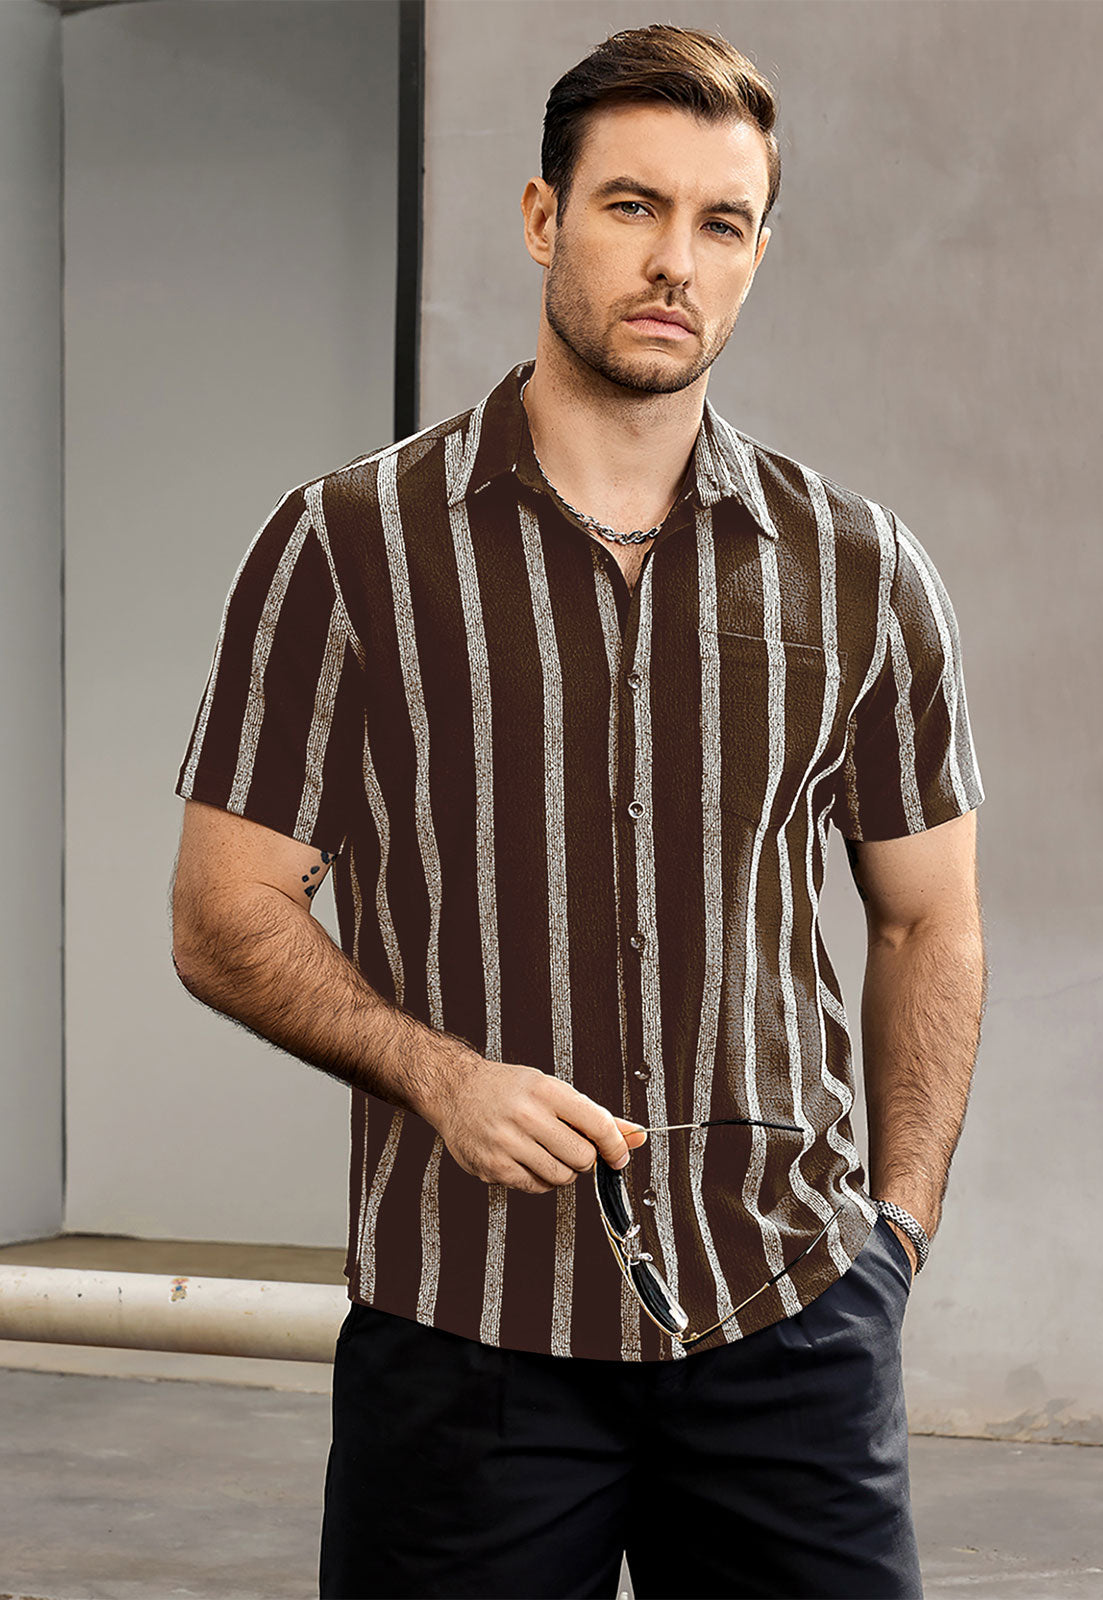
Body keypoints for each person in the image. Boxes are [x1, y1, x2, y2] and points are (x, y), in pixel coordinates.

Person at [170, 22, 987, 1600]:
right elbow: (223, 913)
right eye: (632, 206)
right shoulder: (347, 548)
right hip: (464, 1339)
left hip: (787, 1324)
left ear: (758, 254)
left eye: (721, 221)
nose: (675, 258)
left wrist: (895, 1237)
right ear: (545, 218)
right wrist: (441, 1077)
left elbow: (926, 919)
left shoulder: (862, 571)